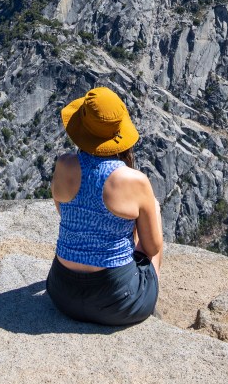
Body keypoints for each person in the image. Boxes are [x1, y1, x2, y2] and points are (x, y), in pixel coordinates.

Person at [45, 85, 163, 327]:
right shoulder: (135, 181)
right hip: (117, 303)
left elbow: (64, 213)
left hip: (62, 293)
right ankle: (148, 303)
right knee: (152, 208)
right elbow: (151, 248)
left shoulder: (64, 165)